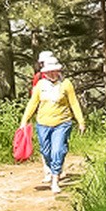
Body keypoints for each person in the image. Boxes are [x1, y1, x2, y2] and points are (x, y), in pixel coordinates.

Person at [20, 51, 85, 193]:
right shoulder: (40, 85)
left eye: (55, 71)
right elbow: (32, 104)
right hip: (43, 124)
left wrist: (81, 121)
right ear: (45, 72)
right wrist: (24, 121)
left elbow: (74, 103)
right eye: (50, 71)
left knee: (58, 150)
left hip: (62, 123)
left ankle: (55, 180)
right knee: (46, 151)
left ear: (58, 71)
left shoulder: (66, 84)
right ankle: (51, 169)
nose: (53, 74)